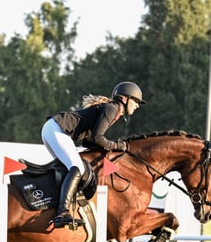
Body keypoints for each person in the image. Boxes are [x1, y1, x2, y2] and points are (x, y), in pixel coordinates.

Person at [41, 81, 145, 229]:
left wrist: (109, 148)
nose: (137, 105)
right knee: (76, 167)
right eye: (135, 101)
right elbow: (97, 138)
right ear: (124, 98)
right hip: (57, 129)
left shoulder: (111, 109)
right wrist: (117, 146)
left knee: (67, 168)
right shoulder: (112, 108)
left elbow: (89, 142)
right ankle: (62, 213)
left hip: (53, 129)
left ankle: (51, 205)